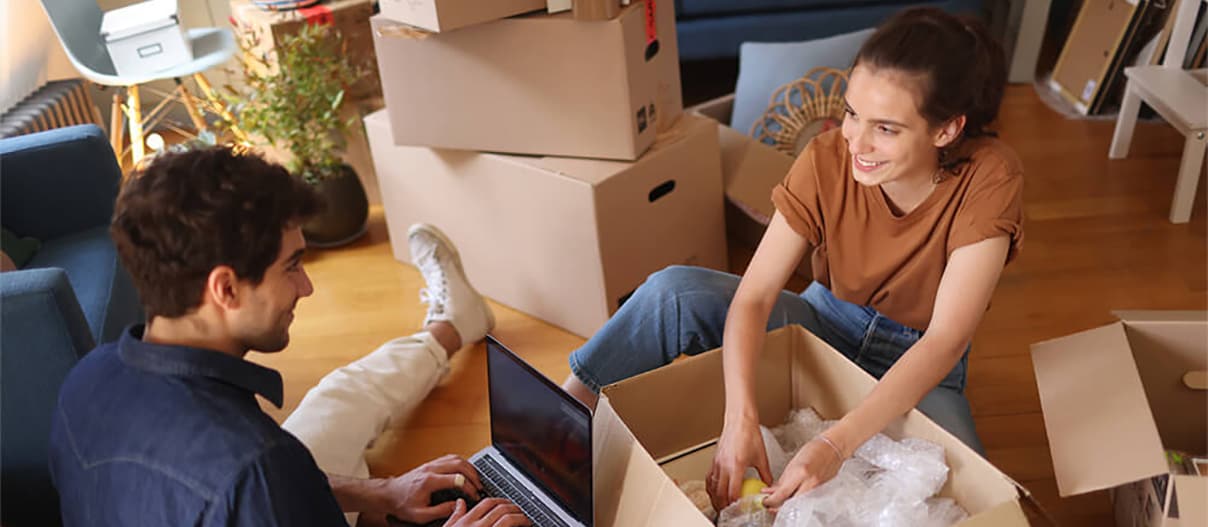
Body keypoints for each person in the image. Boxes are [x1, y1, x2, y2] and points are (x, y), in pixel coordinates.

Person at [560, 6, 1022, 514]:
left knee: (973, 501)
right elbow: (754, 296)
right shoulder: (827, 157)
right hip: (824, 322)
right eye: (851, 113)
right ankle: (554, 422)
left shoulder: (990, 179)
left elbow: (944, 340)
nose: (857, 142)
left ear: (946, 130)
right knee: (674, 292)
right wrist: (739, 420)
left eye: (886, 129)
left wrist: (833, 445)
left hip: (917, 358)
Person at [48, 147, 529, 527]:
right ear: (226, 288)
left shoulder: (84, 382)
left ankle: (450, 326)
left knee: (339, 396)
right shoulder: (258, 469)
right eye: (293, 266)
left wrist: (379, 492)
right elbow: (257, 482)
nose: (307, 286)